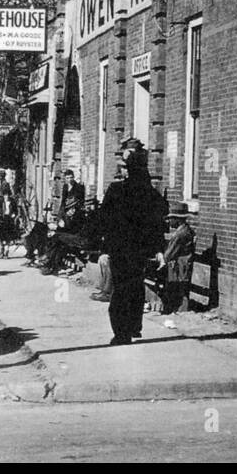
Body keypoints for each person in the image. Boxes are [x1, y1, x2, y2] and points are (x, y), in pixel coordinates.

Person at [95, 148, 168, 345]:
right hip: (140, 251)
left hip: (120, 249)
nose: (123, 171)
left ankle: (121, 333)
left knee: (120, 290)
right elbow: (157, 225)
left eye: (125, 168)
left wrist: (103, 248)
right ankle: (134, 326)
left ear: (131, 169)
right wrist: (158, 250)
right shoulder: (151, 194)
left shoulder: (116, 190)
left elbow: (103, 221)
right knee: (136, 287)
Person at [158, 203, 197, 314]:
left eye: (171, 219)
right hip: (181, 265)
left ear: (178, 219)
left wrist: (160, 258)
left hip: (180, 266)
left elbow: (169, 254)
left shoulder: (180, 235)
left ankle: (170, 306)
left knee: (153, 271)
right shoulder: (186, 230)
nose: (169, 221)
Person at [0, 170, 17, 258]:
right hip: (2, 219)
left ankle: (6, 252)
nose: (6, 196)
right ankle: (1, 250)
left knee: (8, 236)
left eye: (7, 195)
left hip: (9, 219)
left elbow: (15, 210)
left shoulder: (5, 184)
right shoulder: (1, 200)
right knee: (1, 234)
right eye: (5, 195)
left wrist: (13, 214)